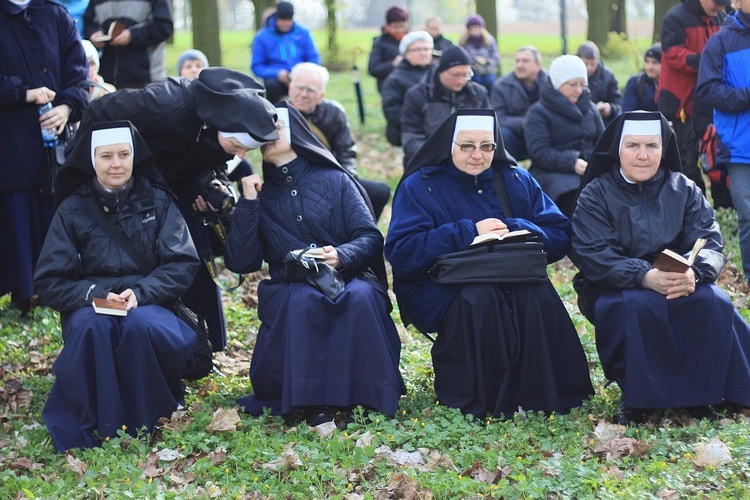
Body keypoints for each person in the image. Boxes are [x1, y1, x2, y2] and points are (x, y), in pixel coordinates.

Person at [385, 108, 594, 419]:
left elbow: (559, 235)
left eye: (486, 146)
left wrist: (519, 226)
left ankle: (545, 394)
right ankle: (483, 398)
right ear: (449, 145)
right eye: (467, 146)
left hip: (510, 271)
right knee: (479, 294)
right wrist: (467, 232)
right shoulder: (421, 185)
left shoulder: (515, 179)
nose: (477, 155)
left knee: (532, 290)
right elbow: (402, 251)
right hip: (438, 283)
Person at [224, 103, 406, 426]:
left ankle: (362, 395)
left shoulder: (336, 180)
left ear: (297, 132)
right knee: (304, 299)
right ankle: (310, 403)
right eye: (261, 132)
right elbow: (242, 261)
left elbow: (369, 236)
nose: (268, 136)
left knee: (360, 297)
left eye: (275, 129)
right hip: (289, 284)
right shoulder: (260, 195)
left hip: (347, 275)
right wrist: (249, 203)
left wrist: (341, 255)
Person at [74, 67, 279, 352]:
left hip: (180, 185)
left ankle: (201, 348)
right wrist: (101, 174)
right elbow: (99, 111)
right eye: (237, 145)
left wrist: (213, 183)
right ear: (224, 125)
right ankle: (150, 346)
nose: (240, 156)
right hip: (136, 185)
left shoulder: (227, 121)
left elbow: (217, 155)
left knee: (191, 256)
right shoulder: (164, 104)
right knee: (147, 265)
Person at [571, 110, 750, 424]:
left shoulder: (684, 188)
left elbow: (709, 239)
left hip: (679, 279)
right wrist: (644, 275)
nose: (643, 155)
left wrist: (696, 272)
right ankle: (638, 399)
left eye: (652, 146)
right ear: (618, 149)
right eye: (633, 146)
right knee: (638, 306)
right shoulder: (595, 194)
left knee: (712, 301)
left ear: (663, 149)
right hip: (616, 284)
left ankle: (701, 394)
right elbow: (595, 254)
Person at [34, 121, 200, 452]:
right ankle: (96, 421)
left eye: (124, 154)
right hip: (90, 306)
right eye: (106, 156)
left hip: (152, 302)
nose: (116, 164)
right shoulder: (72, 209)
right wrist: (93, 295)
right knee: (93, 327)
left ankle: (150, 417)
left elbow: (182, 262)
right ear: (91, 160)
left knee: (140, 325)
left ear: (134, 156)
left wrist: (141, 293)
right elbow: (50, 280)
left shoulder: (158, 200)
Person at [1, 0, 88, 314]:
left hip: (54, 145)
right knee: (15, 211)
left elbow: (78, 72)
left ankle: (51, 289)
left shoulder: (55, 15)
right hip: (9, 142)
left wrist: (68, 106)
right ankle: (21, 291)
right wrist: (22, 94)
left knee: (52, 208)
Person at [288, 63, 391, 222]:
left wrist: (346, 182)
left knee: (379, 192)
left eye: (310, 90)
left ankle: (362, 238)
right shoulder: (278, 114)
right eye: (299, 88)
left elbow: (347, 152)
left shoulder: (334, 112)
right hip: (295, 181)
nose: (303, 94)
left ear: (321, 95)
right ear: (290, 88)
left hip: (332, 175)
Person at [697, 0, 750, 282]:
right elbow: (707, 90)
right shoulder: (720, 42)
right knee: (749, 217)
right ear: (737, 2)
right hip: (741, 147)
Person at [658, 0, 730, 193]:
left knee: (716, 155)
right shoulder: (675, 18)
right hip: (681, 103)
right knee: (686, 160)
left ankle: (723, 207)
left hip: (710, 103)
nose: (721, 8)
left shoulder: (721, 17)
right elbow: (673, 54)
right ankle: (696, 206)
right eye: (718, 3)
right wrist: (707, 62)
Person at [525, 55, 604, 218]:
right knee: (574, 194)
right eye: (572, 84)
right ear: (557, 84)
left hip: (589, 168)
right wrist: (572, 162)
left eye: (582, 84)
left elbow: (603, 142)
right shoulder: (538, 113)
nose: (578, 90)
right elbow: (539, 152)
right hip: (552, 172)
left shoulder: (590, 108)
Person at [401, 45, 490, 167]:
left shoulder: (478, 94)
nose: (460, 80)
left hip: (471, 160)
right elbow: (411, 137)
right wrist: (438, 158)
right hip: (429, 160)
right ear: (441, 71)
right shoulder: (417, 95)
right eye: (455, 75)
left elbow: (490, 134)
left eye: (465, 75)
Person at [84, 0, 173, 88]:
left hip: (145, 80)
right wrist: (93, 33)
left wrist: (132, 35)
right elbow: (89, 23)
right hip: (107, 81)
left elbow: (164, 26)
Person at [251, 1, 320, 104]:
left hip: (301, 78)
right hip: (276, 81)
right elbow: (257, 66)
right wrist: (277, 73)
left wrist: (300, 73)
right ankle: (274, 116)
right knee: (271, 86)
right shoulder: (262, 37)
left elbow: (314, 58)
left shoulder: (304, 33)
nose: (285, 24)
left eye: (288, 20)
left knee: (313, 86)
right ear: (276, 18)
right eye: (282, 20)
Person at [490, 46, 546, 160]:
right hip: (517, 136)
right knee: (502, 134)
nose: (520, 65)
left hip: (546, 133)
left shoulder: (551, 84)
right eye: (517, 61)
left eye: (525, 61)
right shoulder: (501, 86)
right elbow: (498, 117)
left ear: (538, 65)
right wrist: (523, 123)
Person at [381, 30, 434, 147]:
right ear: (405, 53)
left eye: (426, 49)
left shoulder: (438, 74)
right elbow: (392, 111)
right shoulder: (395, 79)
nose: (423, 53)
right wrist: (419, 125)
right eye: (417, 49)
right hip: (410, 134)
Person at [576, 41, 623, 126]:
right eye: (585, 63)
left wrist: (610, 108)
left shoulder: (608, 76)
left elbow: (618, 100)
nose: (589, 68)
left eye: (592, 64)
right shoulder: (570, 76)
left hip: (602, 121)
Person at [368, 6, 408, 94]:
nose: (399, 30)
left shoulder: (411, 39)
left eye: (401, 26)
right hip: (389, 87)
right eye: (395, 27)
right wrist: (393, 64)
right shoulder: (380, 43)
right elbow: (373, 69)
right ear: (388, 26)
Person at [459, 14, 499, 93]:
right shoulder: (464, 42)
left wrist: (487, 61)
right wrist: (473, 62)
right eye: (472, 28)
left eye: (477, 28)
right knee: (476, 81)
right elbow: (462, 56)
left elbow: (496, 56)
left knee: (490, 81)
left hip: (488, 70)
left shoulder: (489, 40)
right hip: (472, 71)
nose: (475, 30)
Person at [622, 43, 662, 112]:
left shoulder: (673, 84)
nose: (650, 67)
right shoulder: (636, 82)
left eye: (655, 62)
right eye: (647, 62)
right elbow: (628, 113)